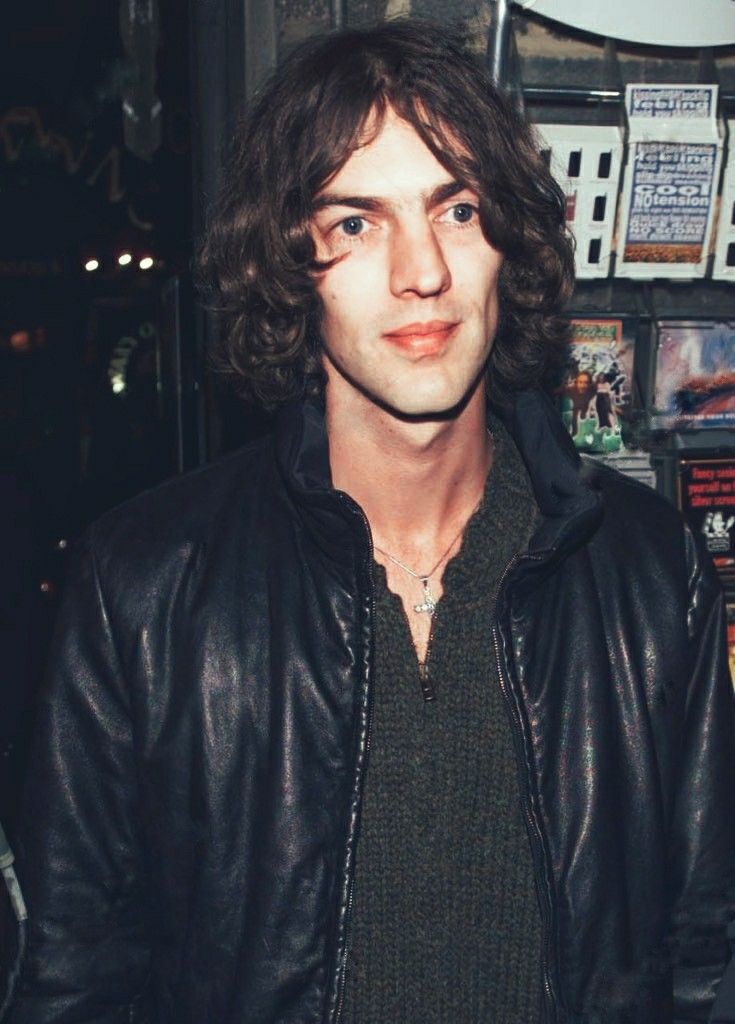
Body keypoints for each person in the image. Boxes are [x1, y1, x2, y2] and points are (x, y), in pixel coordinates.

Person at [5, 19, 735, 1024]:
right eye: (356, 222)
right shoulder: (140, 589)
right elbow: (76, 981)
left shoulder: (651, 576)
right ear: (291, 265)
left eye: (459, 209)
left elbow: (709, 959)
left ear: (507, 245)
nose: (421, 271)